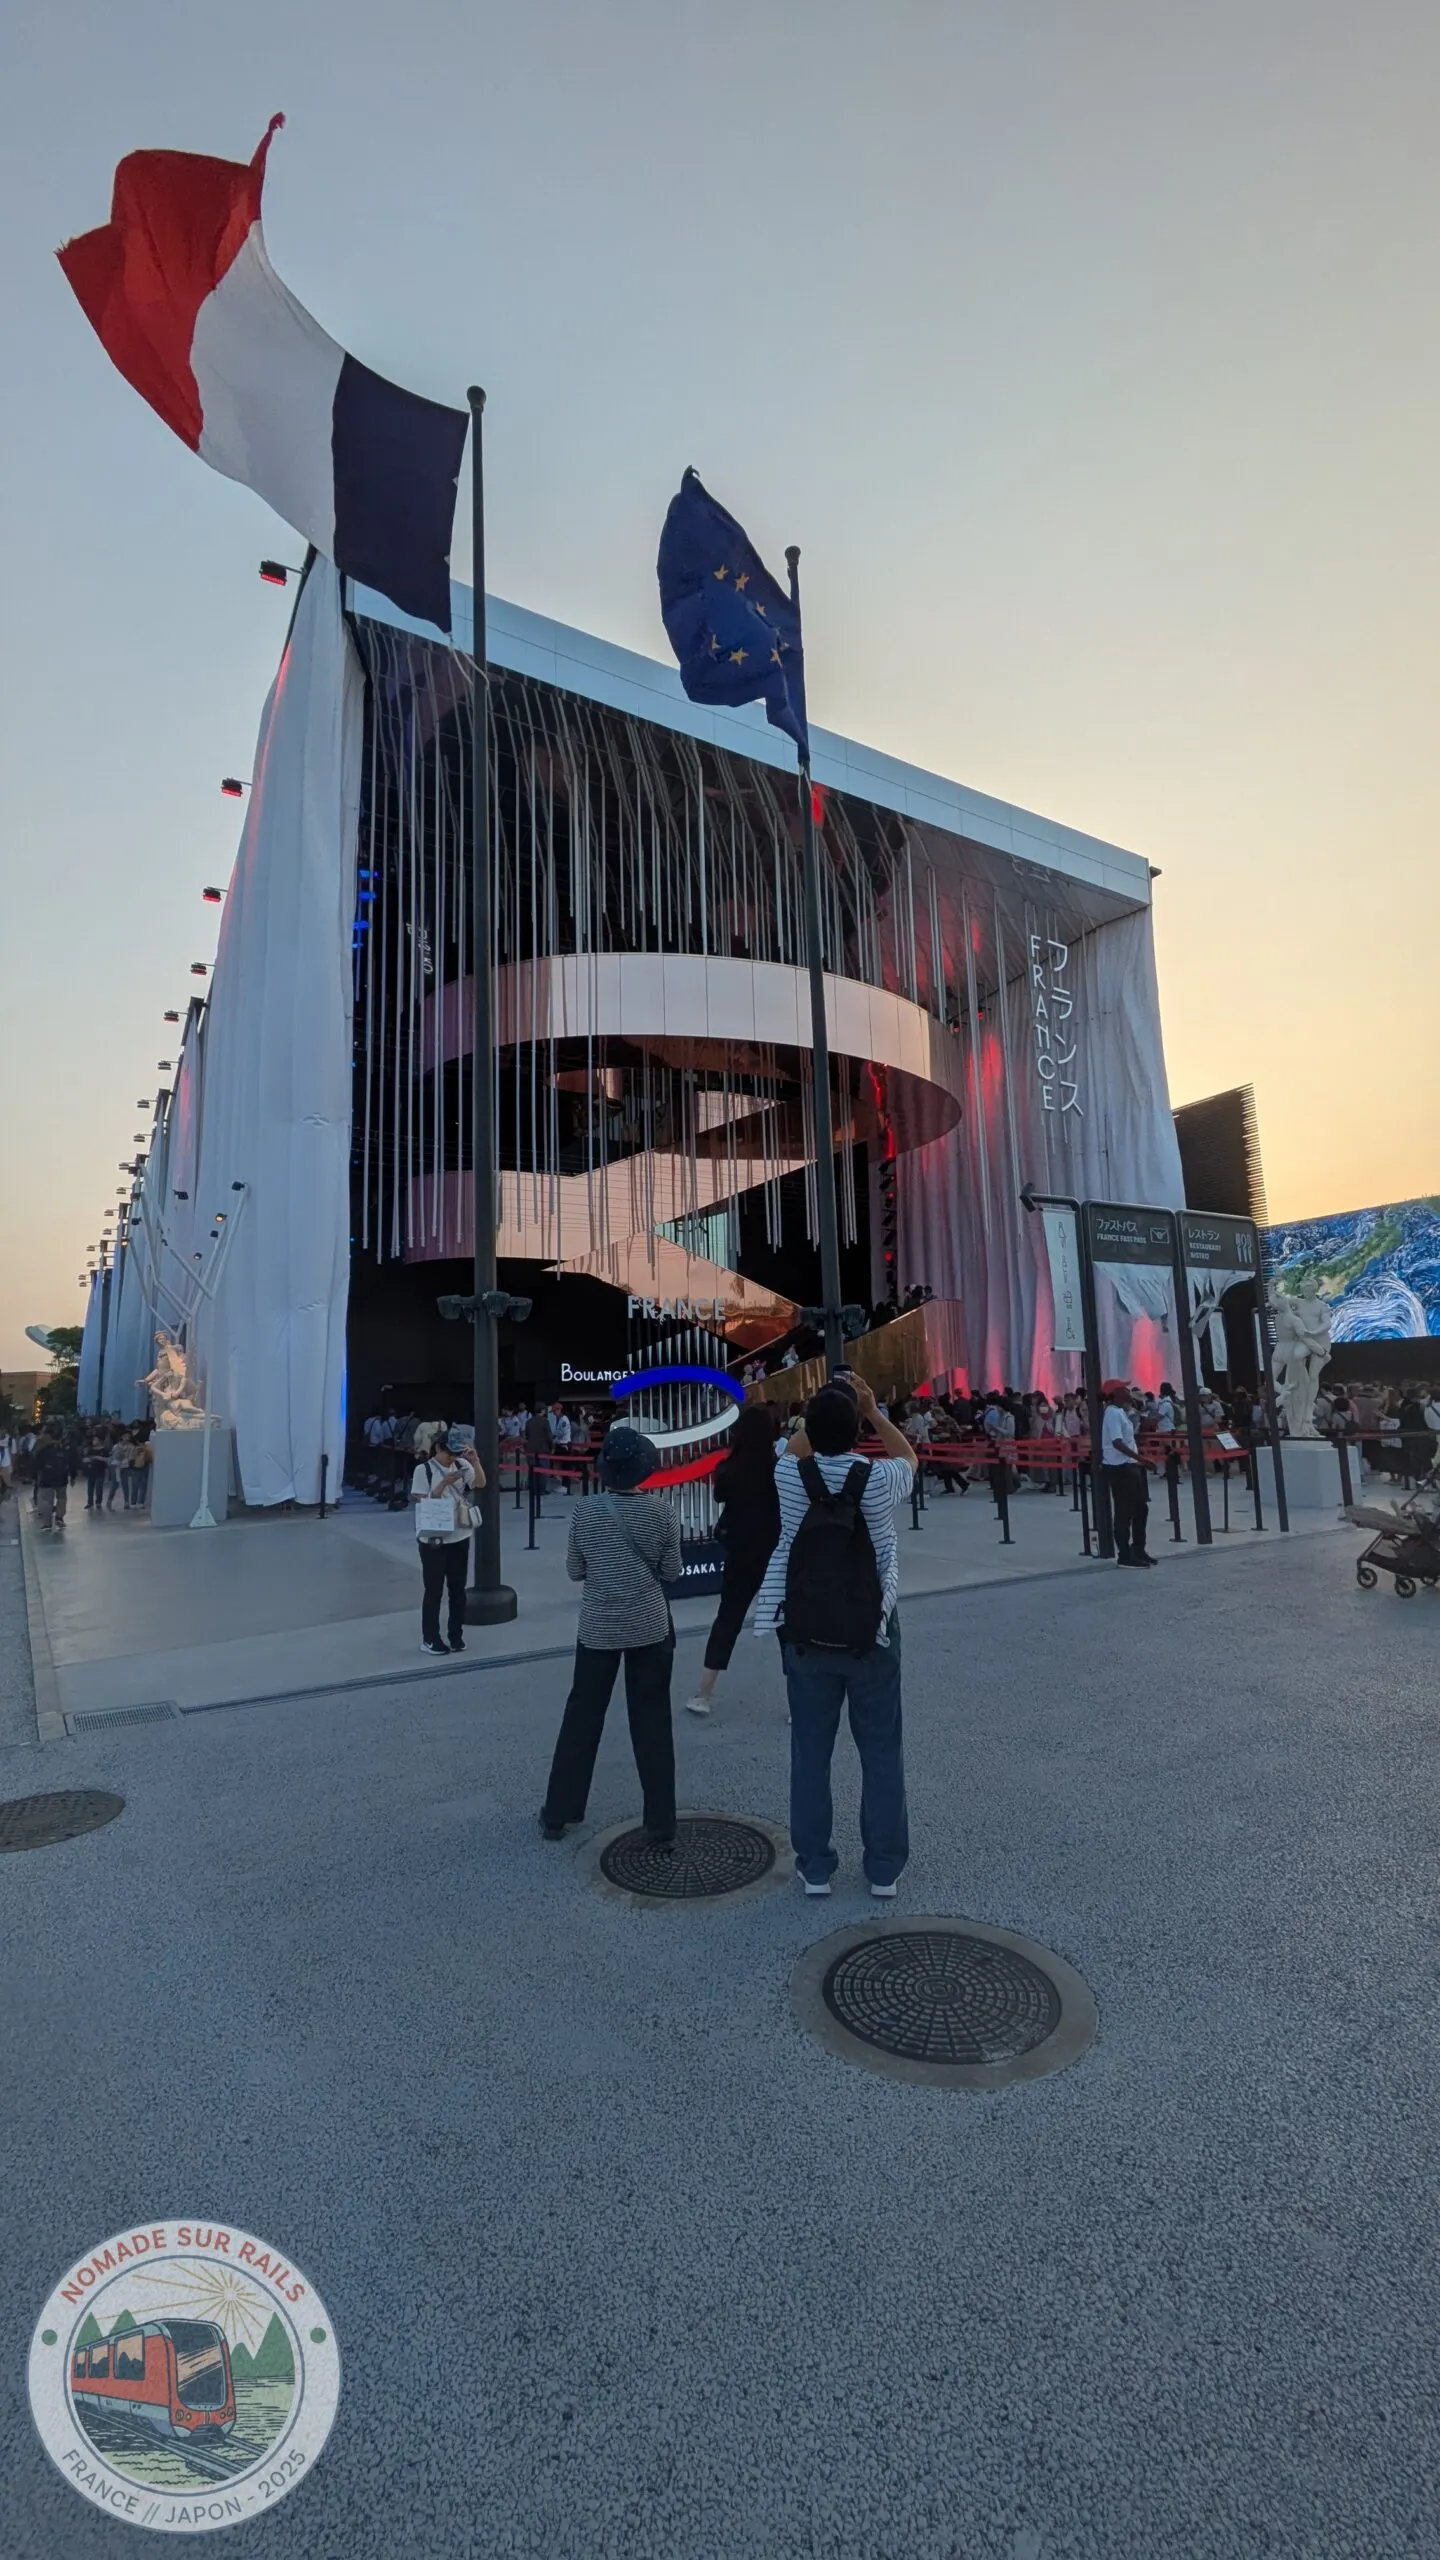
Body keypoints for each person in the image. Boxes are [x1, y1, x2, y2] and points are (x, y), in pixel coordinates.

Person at [753, 1375, 918, 1898]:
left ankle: (816, 1865)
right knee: (880, 1751)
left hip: (804, 1631)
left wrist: (812, 1414)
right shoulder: (878, 1477)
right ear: (856, 1432)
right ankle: (884, 1866)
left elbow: (794, 1450)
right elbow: (911, 1458)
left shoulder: (788, 1477)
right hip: (871, 1630)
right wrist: (871, 1410)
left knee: (810, 1750)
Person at [539, 1426, 681, 1845]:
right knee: (653, 1721)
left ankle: (558, 1813)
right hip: (650, 1627)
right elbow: (671, 1573)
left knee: (582, 1718)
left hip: (599, 1628)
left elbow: (575, 1571)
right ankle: (661, 1822)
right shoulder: (662, 1513)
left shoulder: (584, 1513)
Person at [685, 1403, 782, 1716]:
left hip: (741, 1551)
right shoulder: (779, 1466)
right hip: (775, 1550)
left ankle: (704, 1692)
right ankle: (797, 1698)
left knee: (728, 1619)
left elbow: (719, 1496)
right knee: (787, 1622)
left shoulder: (729, 1468)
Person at [410, 1425, 482, 1656]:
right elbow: (422, 1500)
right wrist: (444, 1483)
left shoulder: (463, 1464)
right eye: (449, 1453)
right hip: (434, 1538)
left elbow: (480, 1483)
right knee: (433, 1590)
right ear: (438, 1448)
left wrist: (475, 1461)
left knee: (457, 1589)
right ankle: (430, 1638)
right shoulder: (424, 1470)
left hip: (459, 1535)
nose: (453, 1457)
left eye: (457, 1453)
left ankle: (456, 1635)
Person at [1101, 1380, 1154, 1567]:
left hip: (1129, 1465)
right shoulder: (1113, 1413)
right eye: (1124, 1389)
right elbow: (1117, 1442)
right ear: (1114, 1393)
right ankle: (1124, 1555)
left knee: (1141, 1508)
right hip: (1120, 1467)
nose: (1128, 1391)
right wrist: (1140, 1459)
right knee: (1125, 1511)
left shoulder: (1120, 1412)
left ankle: (1138, 1549)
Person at [33, 1433, 71, 1533]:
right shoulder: (64, 1448)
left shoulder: (42, 1449)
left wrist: (34, 1477)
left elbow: (36, 1463)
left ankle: (47, 1523)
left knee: (45, 1500)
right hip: (62, 1478)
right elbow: (72, 1461)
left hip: (46, 1478)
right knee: (62, 1498)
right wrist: (73, 1476)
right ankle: (59, 1517)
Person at [105, 1434, 134, 1511]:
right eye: (125, 1436)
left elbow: (131, 1457)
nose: (127, 1438)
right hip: (116, 1466)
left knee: (125, 1484)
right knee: (114, 1484)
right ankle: (109, 1501)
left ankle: (127, 1502)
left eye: (128, 1436)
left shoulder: (131, 1446)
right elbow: (113, 1456)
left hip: (125, 1466)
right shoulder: (116, 1446)